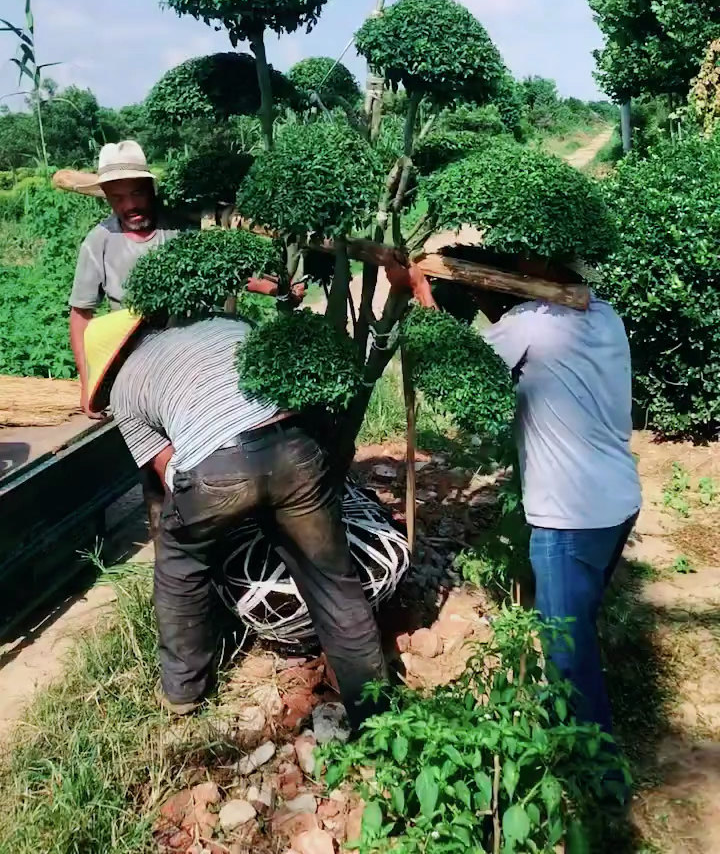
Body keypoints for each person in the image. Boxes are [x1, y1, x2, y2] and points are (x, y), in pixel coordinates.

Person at [83, 309, 387, 725]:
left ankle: (183, 690)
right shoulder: (223, 324)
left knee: (179, 563)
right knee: (332, 581)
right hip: (297, 449)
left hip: (219, 470)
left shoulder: (124, 391)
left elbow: (168, 468)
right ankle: (375, 712)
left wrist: (220, 508)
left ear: (108, 368)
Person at [389, 254, 641, 740]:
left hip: (568, 517)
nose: (517, 262)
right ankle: (570, 727)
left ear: (543, 263)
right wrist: (486, 295)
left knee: (568, 652)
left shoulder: (529, 324)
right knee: (579, 628)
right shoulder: (605, 314)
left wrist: (420, 290)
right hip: (618, 503)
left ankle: (593, 777)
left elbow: (453, 366)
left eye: (524, 257)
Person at [69, 140, 183, 416]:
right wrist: (89, 385)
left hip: (187, 351)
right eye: (118, 198)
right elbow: (80, 315)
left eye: (137, 193)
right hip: (134, 363)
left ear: (151, 191)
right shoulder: (99, 241)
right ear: (106, 197)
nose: (131, 205)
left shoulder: (179, 229)